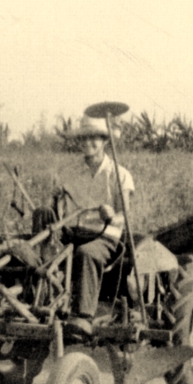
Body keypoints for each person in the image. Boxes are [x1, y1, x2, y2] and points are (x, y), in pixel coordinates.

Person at [32, 114, 135, 337]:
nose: (87, 143)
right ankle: (35, 299)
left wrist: (111, 215)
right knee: (40, 224)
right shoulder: (69, 172)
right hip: (72, 232)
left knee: (85, 253)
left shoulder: (120, 174)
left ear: (105, 141)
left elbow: (124, 217)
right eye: (83, 138)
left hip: (104, 237)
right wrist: (53, 203)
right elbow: (59, 207)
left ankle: (83, 317)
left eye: (94, 138)